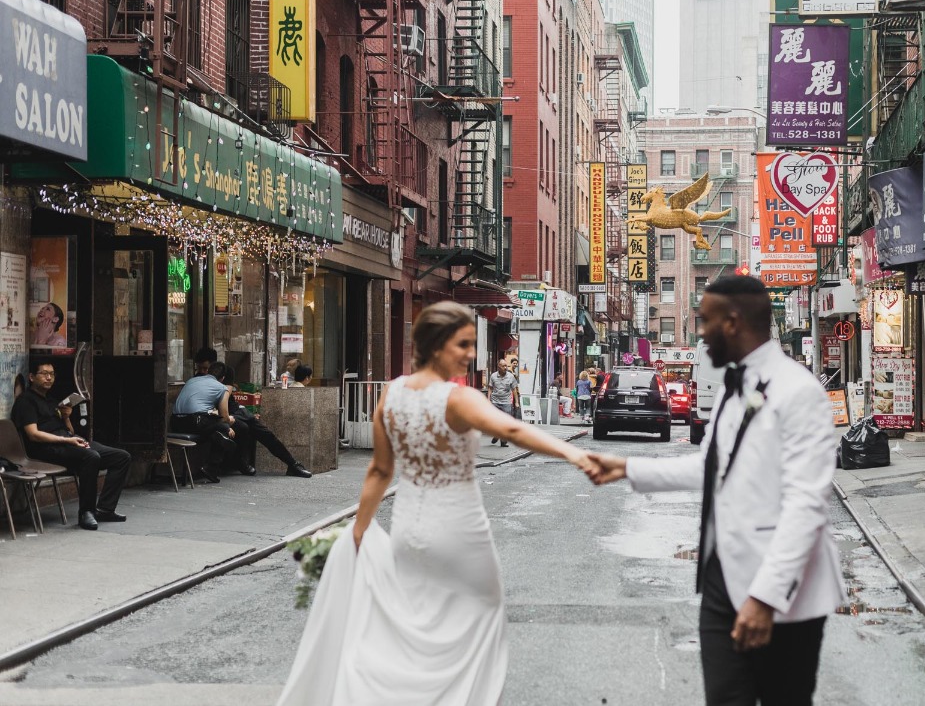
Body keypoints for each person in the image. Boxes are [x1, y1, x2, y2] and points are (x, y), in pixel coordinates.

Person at [275, 302, 601, 705]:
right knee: (481, 624)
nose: (470, 354)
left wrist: (358, 533)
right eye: (462, 345)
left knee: (416, 632)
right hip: (459, 532)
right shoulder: (455, 398)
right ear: (435, 345)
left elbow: (379, 471)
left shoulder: (391, 395)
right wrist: (575, 455)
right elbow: (512, 427)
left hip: (409, 532)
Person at [589, 276, 845, 706]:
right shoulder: (733, 386)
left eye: (704, 321)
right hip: (721, 580)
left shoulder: (800, 392)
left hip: (784, 592)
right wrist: (628, 468)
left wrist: (764, 598)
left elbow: (806, 504)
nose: (699, 332)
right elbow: (711, 467)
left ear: (732, 322)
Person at [11, 362, 131, 530]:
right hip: (44, 449)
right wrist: (68, 441)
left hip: (68, 442)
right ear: (31, 377)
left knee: (121, 457)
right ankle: (86, 513)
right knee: (91, 457)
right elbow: (33, 434)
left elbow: (69, 431)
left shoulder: (53, 401)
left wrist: (66, 417)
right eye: (44, 373)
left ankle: (105, 509)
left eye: (52, 374)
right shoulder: (26, 401)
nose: (49, 377)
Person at [216, 367, 313, 478]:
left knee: (266, 434)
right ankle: (241, 463)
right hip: (227, 414)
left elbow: (226, 396)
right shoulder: (204, 380)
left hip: (236, 412)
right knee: (244, 428)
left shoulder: (225, 371)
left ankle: (292, 464)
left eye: (205, 368)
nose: (203, 371)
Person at [171, 360, 243, 483]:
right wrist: (228, 423)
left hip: (175, 422)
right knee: (225, 428)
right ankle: (211, 468)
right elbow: (224, 414)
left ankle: (220, 441)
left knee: (217, 433)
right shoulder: (222, 388)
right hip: (195, 422)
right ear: (223, 378)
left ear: (207, 371)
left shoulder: (191, 380)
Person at [486, 357, 519, 448]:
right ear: (499, 367)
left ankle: (503, 441)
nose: (506, 367)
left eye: (506, 365)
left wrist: (516, 402)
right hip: (495, 401)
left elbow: (514, 390)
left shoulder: (510, 376)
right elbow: (490, 388)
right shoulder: (493, 376)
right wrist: (488, 400)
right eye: (503, 366)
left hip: (506, 402)